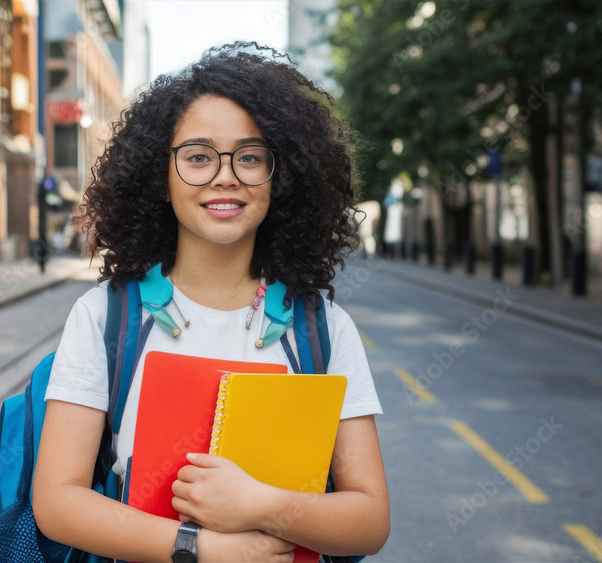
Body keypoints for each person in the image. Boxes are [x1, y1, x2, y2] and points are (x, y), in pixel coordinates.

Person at [33, 42, 390, 562]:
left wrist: (261, 505)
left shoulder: (324, 328)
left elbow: (370, 521)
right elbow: (58, 502)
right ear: (161, 177)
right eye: (198, 157)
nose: (226, 175)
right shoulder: (103, 318)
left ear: (279, 177)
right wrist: (199, 549)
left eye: (249, 157)